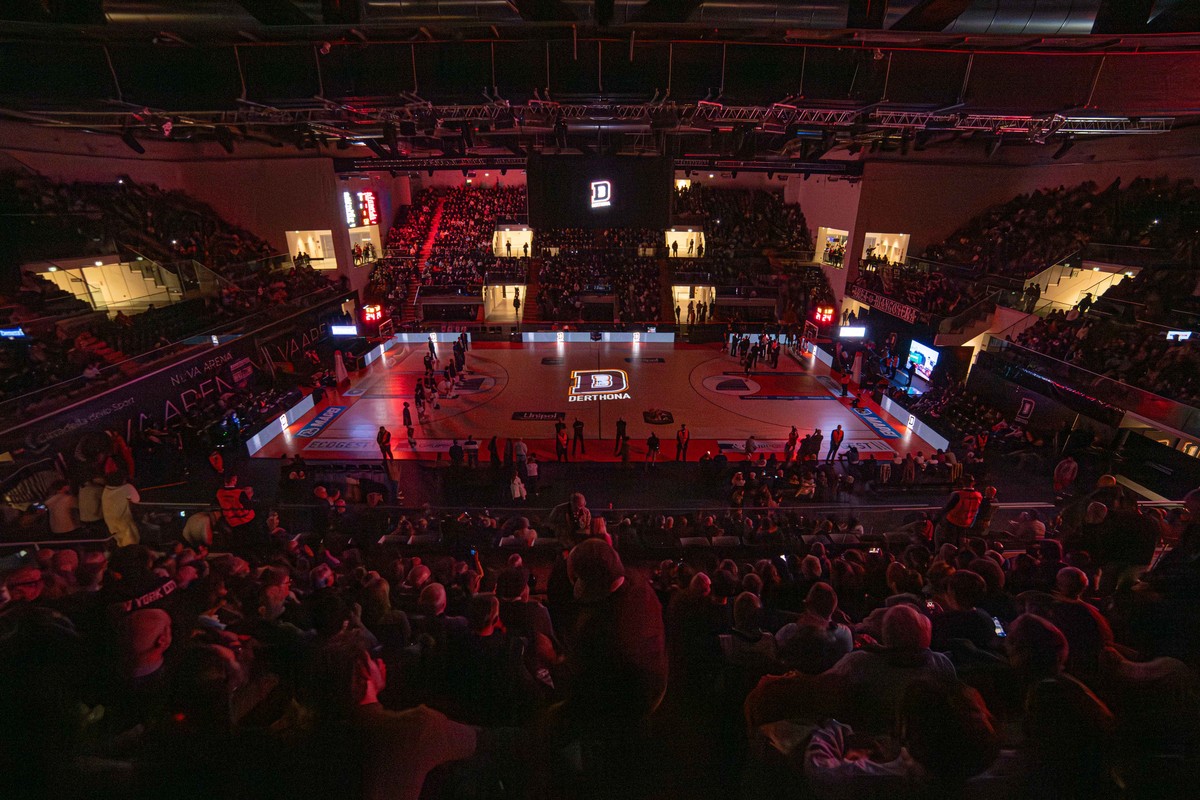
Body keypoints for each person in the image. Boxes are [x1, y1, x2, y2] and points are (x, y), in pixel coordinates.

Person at [313, 631, 478, 800]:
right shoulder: (415, 727)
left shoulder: (313, 741)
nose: (380, 661)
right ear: (363, 671)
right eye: (373, 658)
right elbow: (477, 741)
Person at [937, 478, 982, 547]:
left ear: (962, 483)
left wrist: (938, 516)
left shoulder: (958, 494)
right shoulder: (978, 495)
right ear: (973, 483)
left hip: (953, 521)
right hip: (967, 521)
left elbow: (948, 507)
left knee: (949, 537)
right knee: (961, 540)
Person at [102, 470, 140, 546]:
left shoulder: (106, 490)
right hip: (124, 523)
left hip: (111, 523)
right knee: (131, 544)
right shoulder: (127, 488)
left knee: (120, 543)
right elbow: (136, 499)